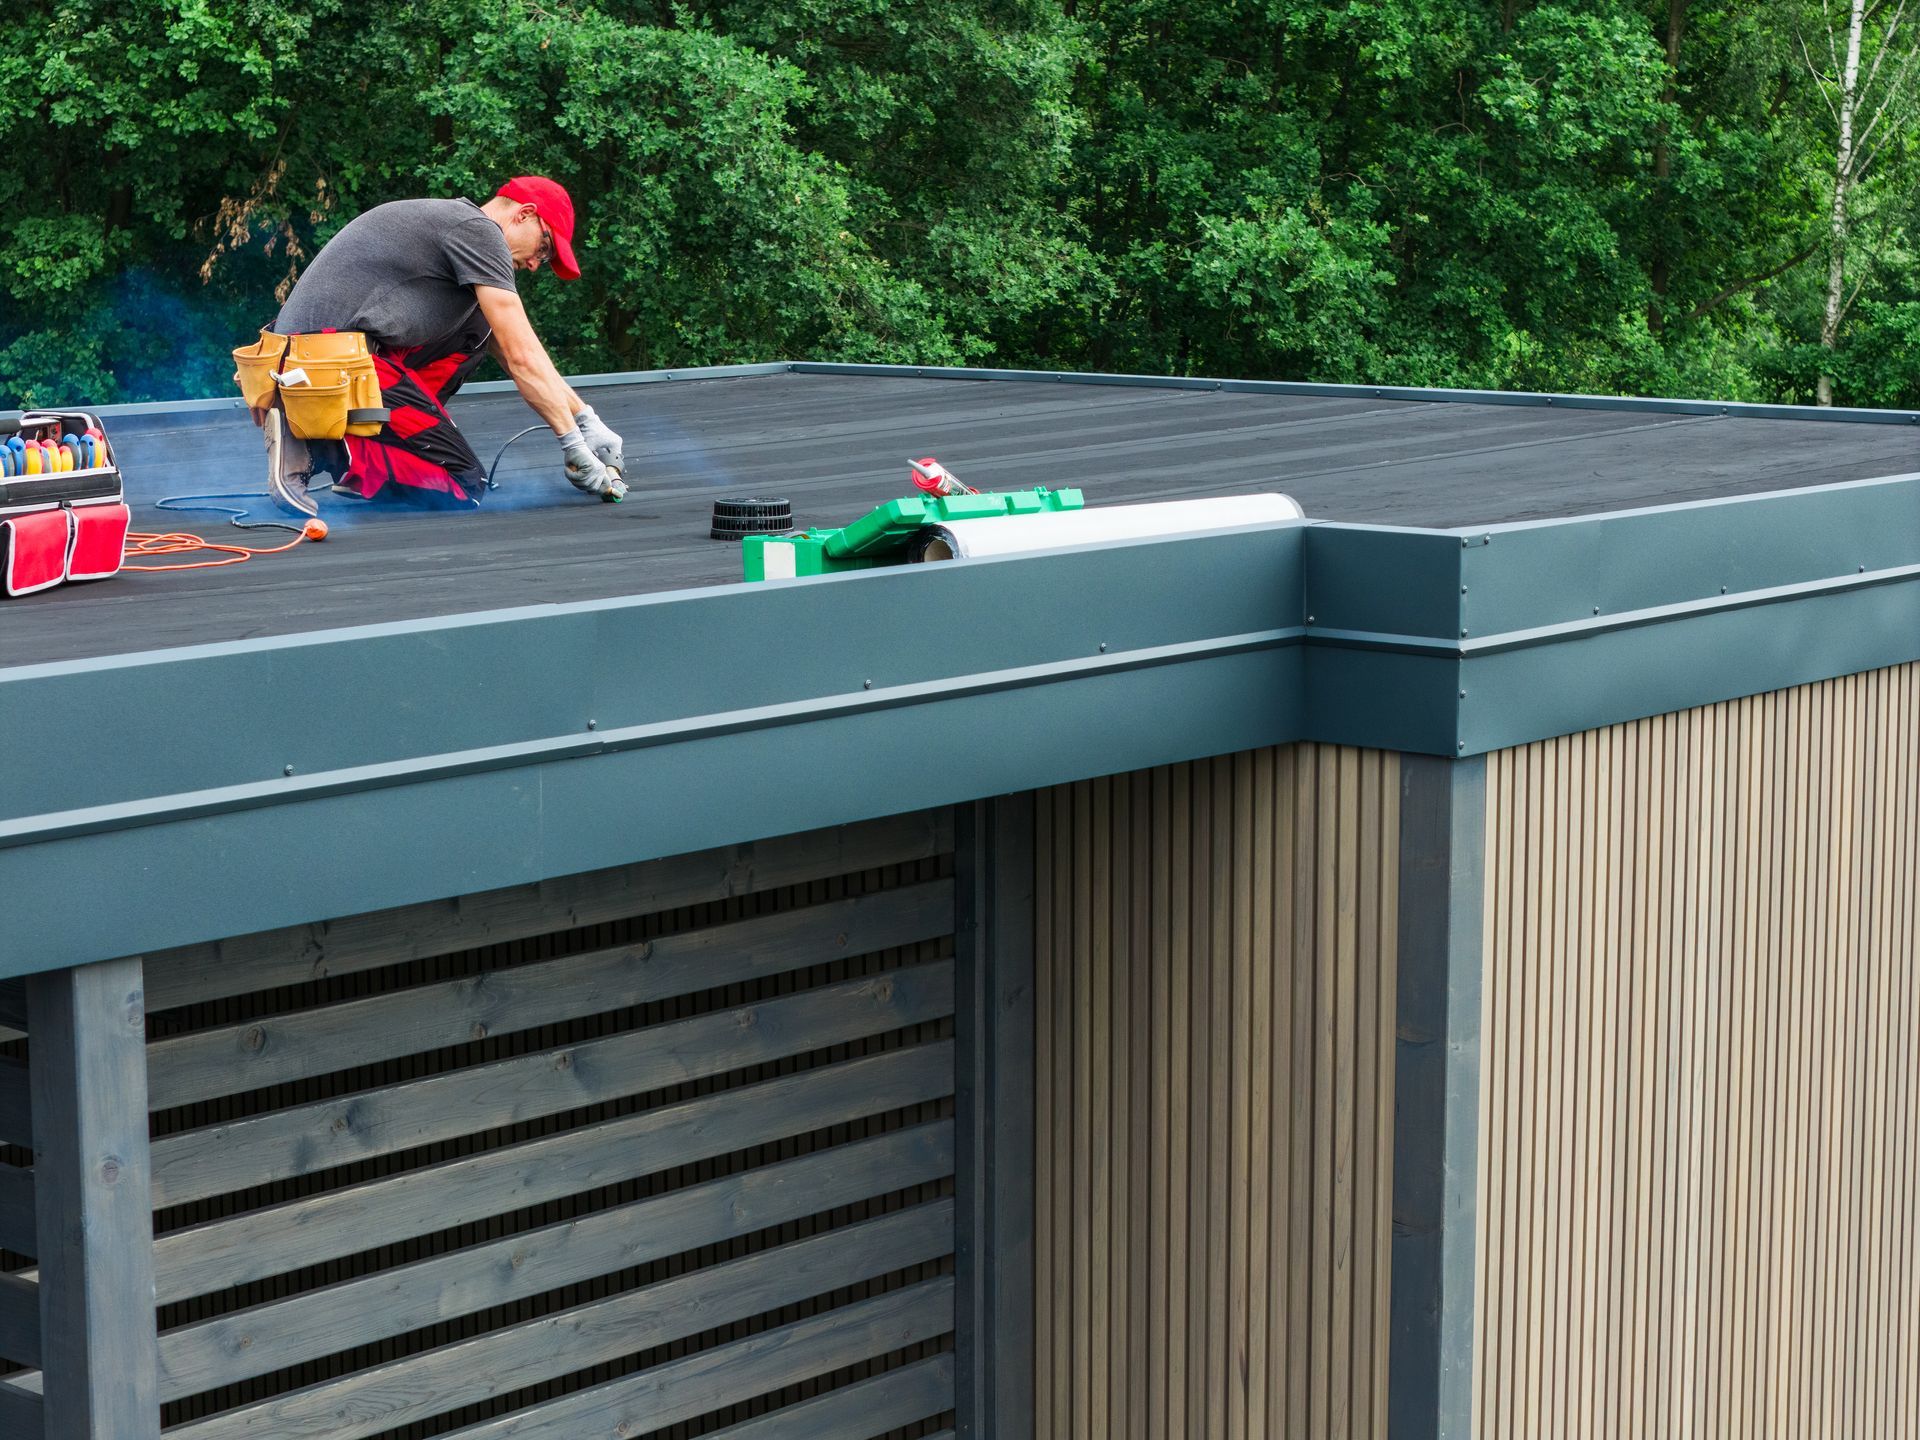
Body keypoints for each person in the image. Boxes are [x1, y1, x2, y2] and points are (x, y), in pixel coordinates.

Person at [256, 176, 626, 518]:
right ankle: (313, 441)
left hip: (326, 358)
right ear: (524, 214)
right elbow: (522, 358)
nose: (534, 264)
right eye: (543, 248)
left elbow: (520, 351)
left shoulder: (460, 228)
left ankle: (363, 451)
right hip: (320, 366)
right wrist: (572, 443)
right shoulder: (479, 232)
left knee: (480, 327)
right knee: (464, 485)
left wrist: (587, 420)